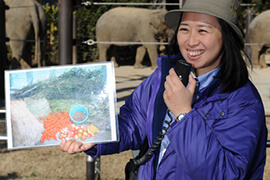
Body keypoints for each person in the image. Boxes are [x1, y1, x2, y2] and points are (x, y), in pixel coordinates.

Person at [60, 0, 267, 179]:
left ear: (227, 36)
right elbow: (132, 122)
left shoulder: (243, 101)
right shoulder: (162, 77)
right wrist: (95, 136)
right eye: (184, 29)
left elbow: (226, 173)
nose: (191, 41)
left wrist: (183, 114)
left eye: (203, 30)